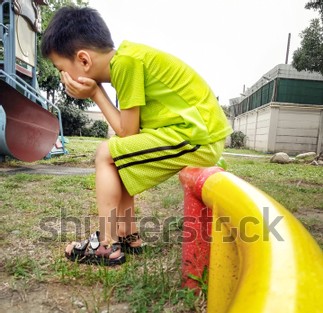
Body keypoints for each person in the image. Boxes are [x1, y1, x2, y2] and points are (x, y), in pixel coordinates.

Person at [41, 6, 232, 266]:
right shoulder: (128, 59)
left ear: (84, 60)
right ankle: (127, 235)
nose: (62, 77)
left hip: (197, 136)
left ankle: (107, 244)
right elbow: (129, 136)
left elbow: (126, 131)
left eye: (60, 68)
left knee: (106, 153)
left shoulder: (126, 63)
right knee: (119, 155)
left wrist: (96, 93)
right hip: (195, 132)